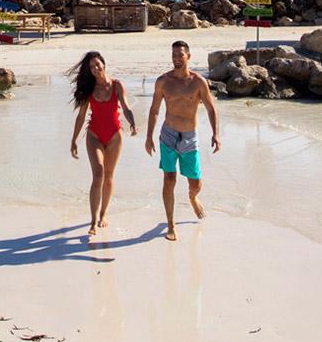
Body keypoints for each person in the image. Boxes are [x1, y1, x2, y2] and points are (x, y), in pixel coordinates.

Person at [144, 39, 221, 240]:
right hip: (168, 135)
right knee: (169, 179)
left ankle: (193, 198)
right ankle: (171, 224)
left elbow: (212, 109)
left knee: (195, 182)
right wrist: (149, 136)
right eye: (174, 55)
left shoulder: (198, 82)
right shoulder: (163, 81)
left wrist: (216, 134)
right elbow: (154, 110)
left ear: (188, 56)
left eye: (180, 55)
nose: (177, 59)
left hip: (189, 136)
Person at [68, 50, 137, 236]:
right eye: (92, 67)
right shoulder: (90, 90)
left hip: (115, 136)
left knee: (108, 177)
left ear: (104, 64)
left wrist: (133, 122)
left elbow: (126, 107)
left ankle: (103, 215)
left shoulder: (116, 85)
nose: (96, 69)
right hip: (94, 135)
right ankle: (92, 220)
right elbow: (81, 117)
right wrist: (74, 139)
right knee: (98, 175)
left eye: (98, 65)